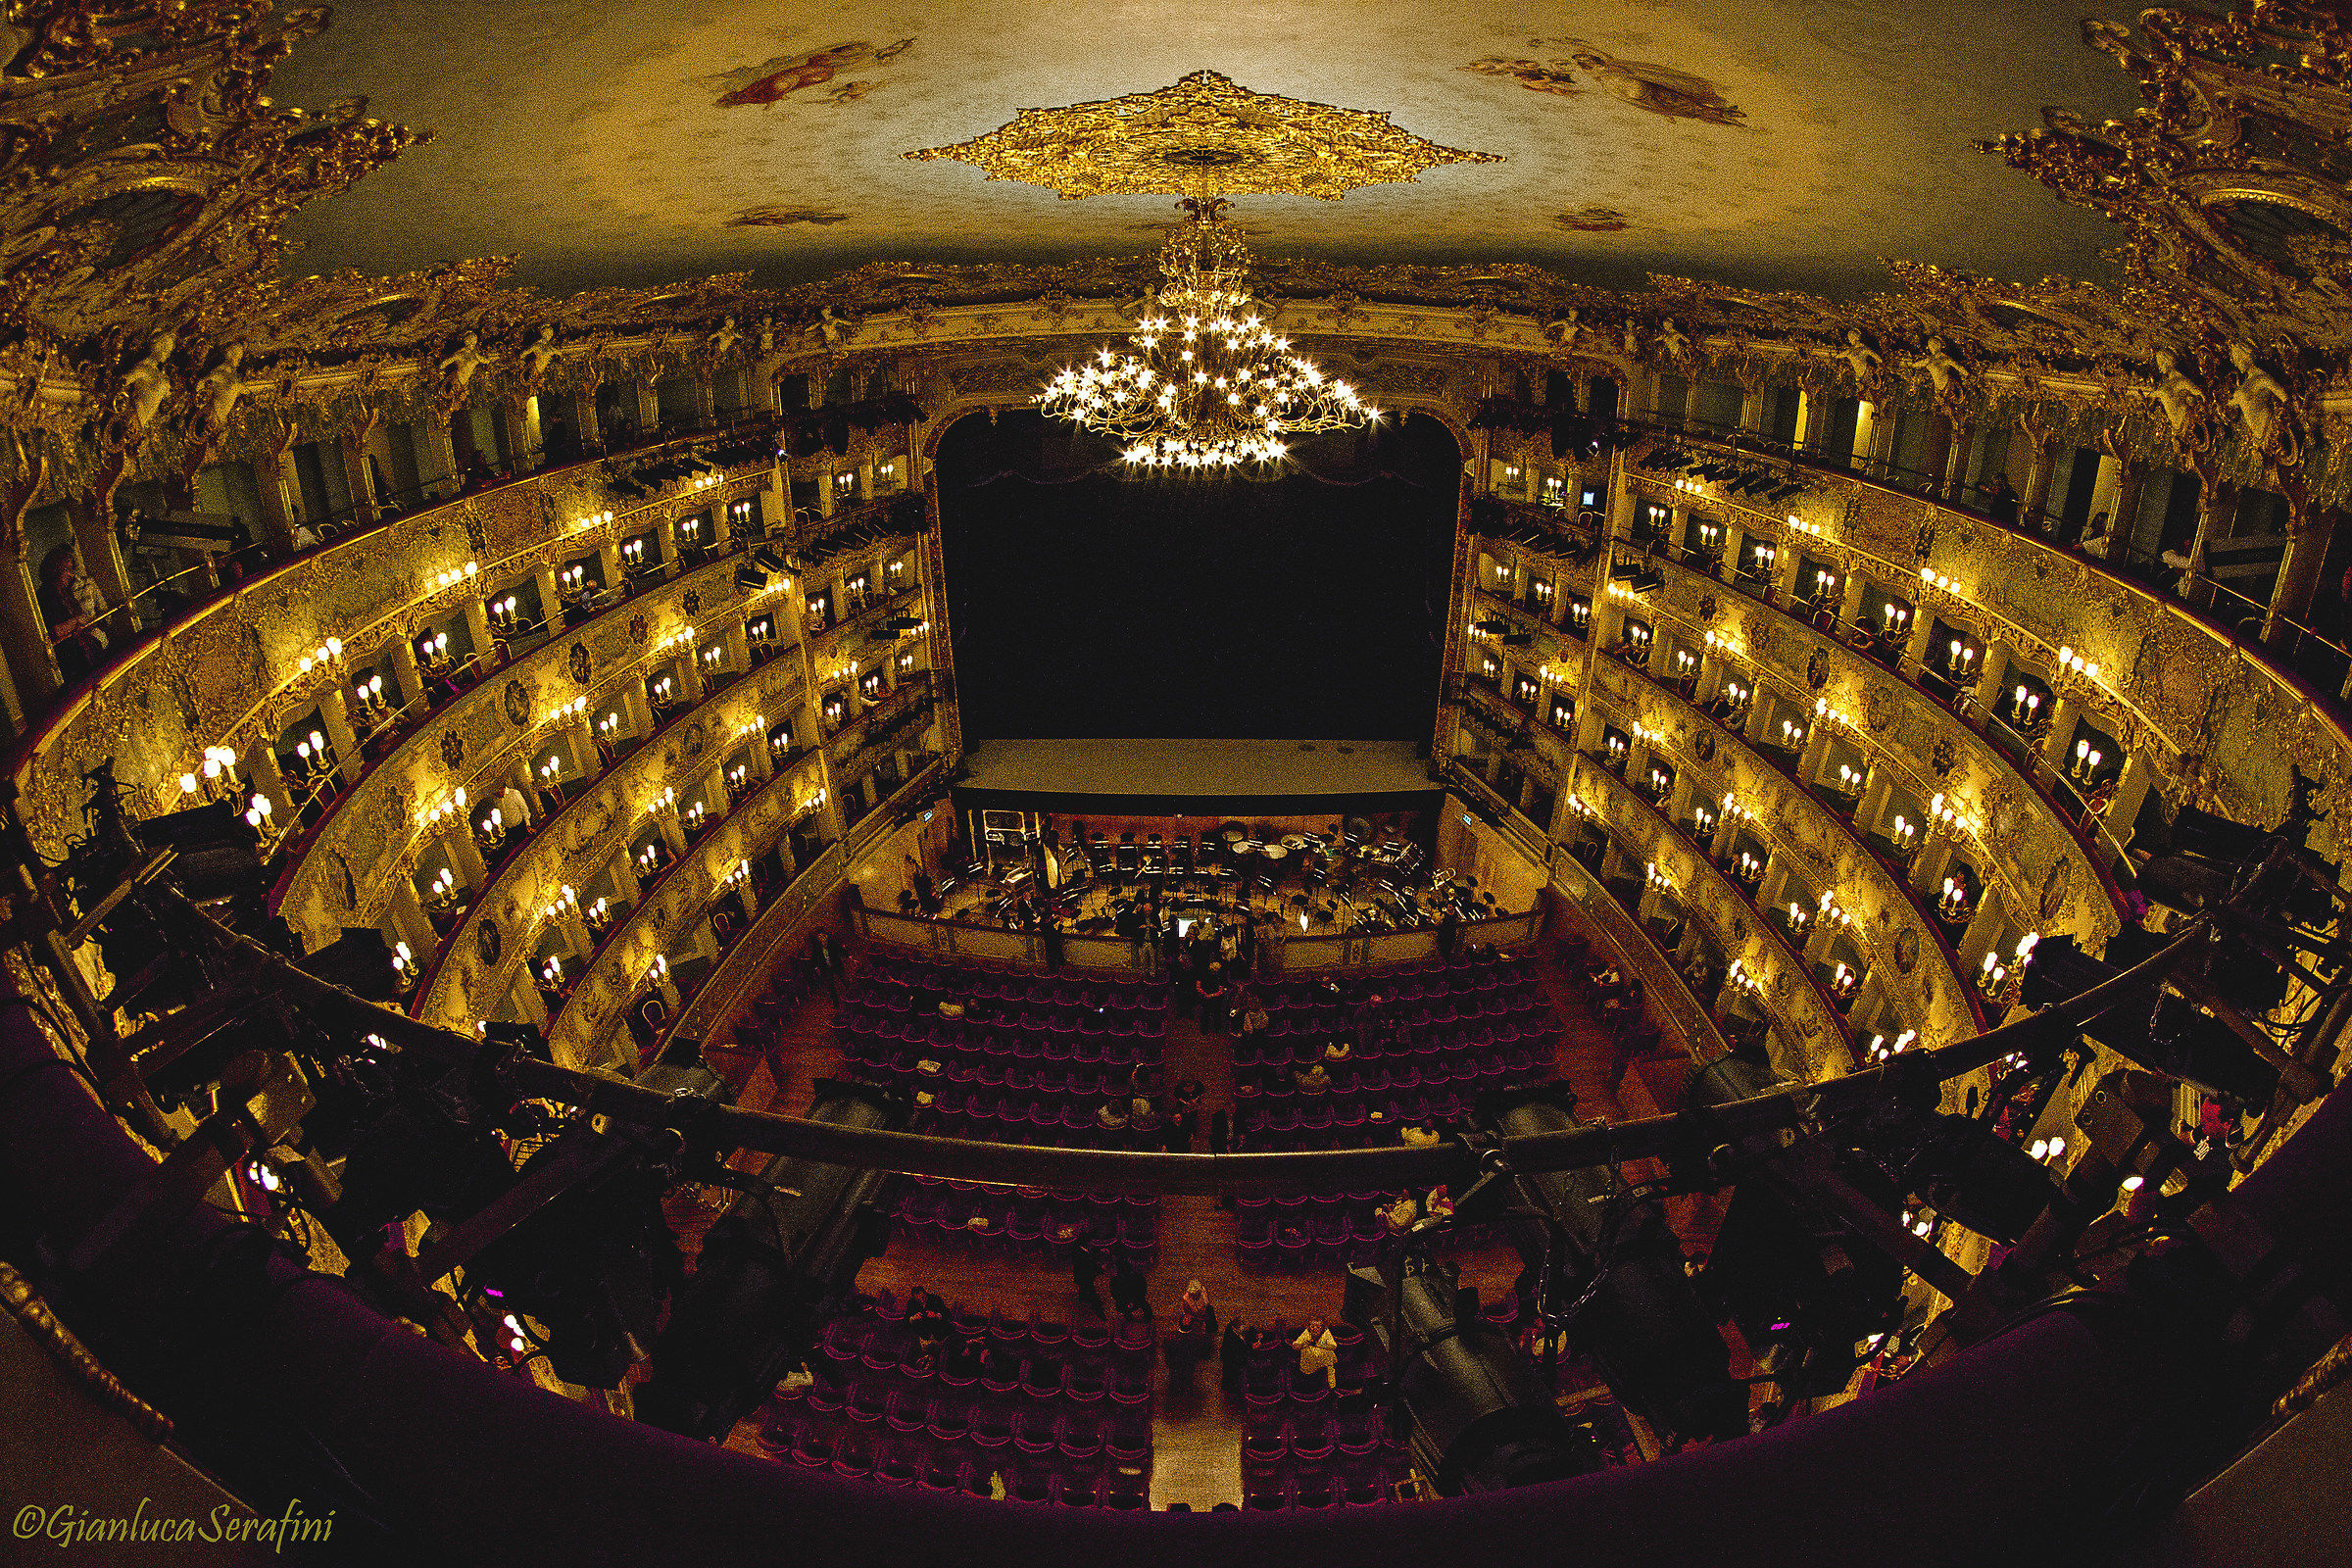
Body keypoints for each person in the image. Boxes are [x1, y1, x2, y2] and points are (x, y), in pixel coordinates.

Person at [37, 546, 103, 683]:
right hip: (70, 660)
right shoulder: (46, 595)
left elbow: (85, 620)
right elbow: (54, 631)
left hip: (84, 653)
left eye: (72, 570)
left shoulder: (66, 592)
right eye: (67, 570)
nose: (71, 575)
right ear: (55, 569)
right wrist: (77, 621)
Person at [1293, 1317, 1339, 1389]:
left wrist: (1318, 1345)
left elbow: (1333, 1346)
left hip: (1324, 1363)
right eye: (1312, 1326)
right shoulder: (1307, 1333)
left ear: (1322, 1327)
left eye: (1318, 1327)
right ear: (1309, 1327)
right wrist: (1301, 1344)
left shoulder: (1326, 1333)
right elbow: (1296, 1345)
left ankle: (1331, 1387)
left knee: (1329, 1363)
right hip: (1310, 1364)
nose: (1315, 1328)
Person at [1108, 1253, 1151, 1320]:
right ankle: (1147, 1317)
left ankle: (1129, 1318)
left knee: (1125, 1308)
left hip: (1128, 1299)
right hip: (1134, 1298)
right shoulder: (1137, 1277)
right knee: (1143, 1305)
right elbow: (1143, 1288)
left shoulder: (1116, 1280)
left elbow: (1114, 1292)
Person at [1072, 1238, 1105, 1318]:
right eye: (1092, 1241)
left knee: (1084, 1288)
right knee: (1089, 1289)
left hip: (1082, 1276)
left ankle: (1083, 1298)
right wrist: (1101, 1269)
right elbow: (1090, 1265)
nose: (1093, 1243)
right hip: (1085, 1277)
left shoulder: (1080, 1251)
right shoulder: (1083, 1256)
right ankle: (1097, 1309)